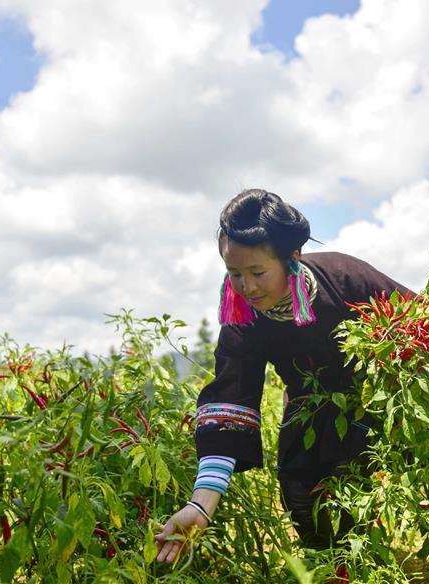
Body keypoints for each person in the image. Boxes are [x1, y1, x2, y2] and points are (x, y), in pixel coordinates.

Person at [155, 189, 410, 562]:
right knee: (307, 514)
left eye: (257, 272)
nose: (247, 287)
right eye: (234, 273)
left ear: (293, 256)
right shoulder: (242, 316)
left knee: (362, 532)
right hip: (306, 423)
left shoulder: (345, 278)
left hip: (370, 419)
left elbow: (417, 325)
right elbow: (231, 397)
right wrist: (202, 504)